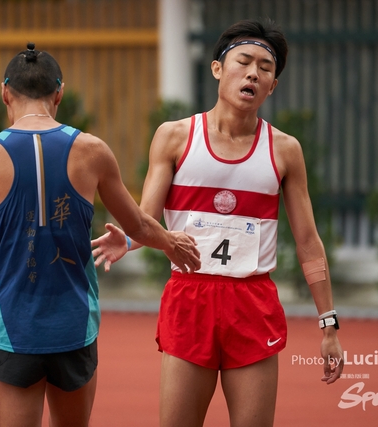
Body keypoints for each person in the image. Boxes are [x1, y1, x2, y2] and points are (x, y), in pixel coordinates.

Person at [0, 43, 201, 427]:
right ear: (59, 94)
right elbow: (137, 225)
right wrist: (172, 242)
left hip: (12, 331)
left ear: (5, 93)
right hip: (74, 328)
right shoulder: (92, 151)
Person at [91, 19, 344, 426]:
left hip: (252, 301)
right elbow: (146, 219)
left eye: (265, 68)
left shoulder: (284, 151)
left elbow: (309, 243)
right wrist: (131, 240)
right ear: (217, 69)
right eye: (244, 61)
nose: (253, 73)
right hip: (190, 298)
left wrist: (328, 323)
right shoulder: (174, 137)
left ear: (272, 85)